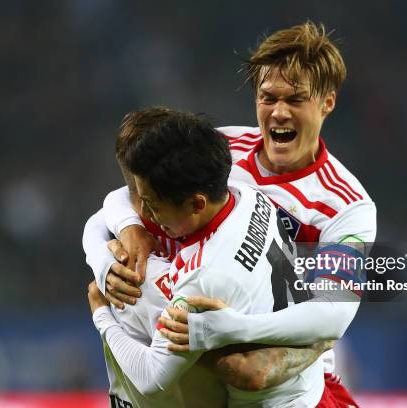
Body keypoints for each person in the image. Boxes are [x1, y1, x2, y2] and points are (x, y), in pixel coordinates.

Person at [85, 21, 376, 406]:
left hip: (285, 379)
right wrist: (130, 228)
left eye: (296, 99)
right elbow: (121, 199)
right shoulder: (224, 146)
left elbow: (331, 314)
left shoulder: (347, 206)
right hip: (191, 346)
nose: (279, 113)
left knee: (251, 370)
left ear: (327, 102)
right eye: (268, 98)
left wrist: (235, 328)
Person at [87, 108, 336, 407]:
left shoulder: (198, 277)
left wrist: (101, 314)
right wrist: (126, 231)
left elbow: (152, 378)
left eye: (152, 206)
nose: (146, 214)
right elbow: (113, 205)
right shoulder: (247, 196)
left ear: (196, 204)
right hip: (311, 388)